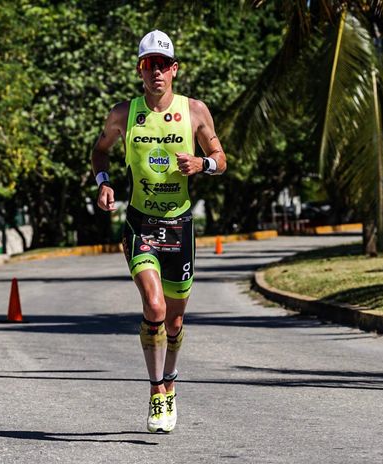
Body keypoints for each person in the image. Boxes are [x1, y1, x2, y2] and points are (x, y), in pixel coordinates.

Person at [90, 30, 226, 433]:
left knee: (175, 323)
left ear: (174, 69)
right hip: (141, 223)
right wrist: (104, 181)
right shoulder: (122, 113)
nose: (157, 72)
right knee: (154, 306)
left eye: (163, 64)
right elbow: (100, 150)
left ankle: (171, 382)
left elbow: (221, 157)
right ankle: (155, 391)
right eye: (149, 64)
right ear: (140, 70)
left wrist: (204, 166)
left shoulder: (196, 111)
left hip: (180, 225)